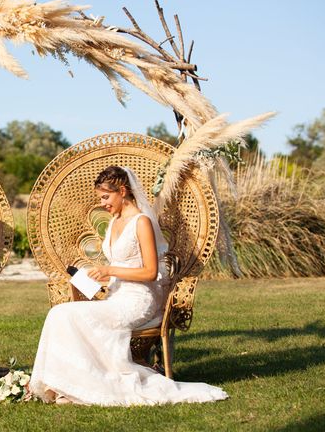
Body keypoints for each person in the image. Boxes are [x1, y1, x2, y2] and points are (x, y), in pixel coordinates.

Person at [29, 165, 228, 406]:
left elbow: (150, 271)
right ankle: (62, 384)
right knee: (60, 314)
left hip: (138, 300)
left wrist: (110, 270)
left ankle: (78, 385)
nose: (103, 203)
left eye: (106, 196)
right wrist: (100, 277)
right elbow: (122, 263)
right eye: (100, 197)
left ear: (122, 191)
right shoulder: (114, 221)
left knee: (62, 314)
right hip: (116, 295)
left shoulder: (141, 222)